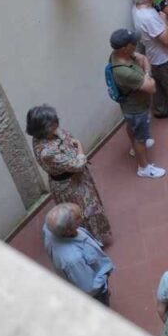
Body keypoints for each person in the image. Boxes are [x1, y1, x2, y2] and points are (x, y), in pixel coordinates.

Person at [27, 105, 112, 245]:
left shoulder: (45, 135)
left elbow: (66, 136)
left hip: (76, 178)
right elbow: (78, 165)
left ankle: (96, 236)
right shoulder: (47, 153)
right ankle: (91, 242)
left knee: (89, 207)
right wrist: (79, 146)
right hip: (70, 185)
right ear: (45, 129)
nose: (57, 124)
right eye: (54, 123)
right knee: (82, 212)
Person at [108, 28, 167, 179]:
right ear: (124, 48)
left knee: (131, 126)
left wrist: (145, 72)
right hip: (137, 108)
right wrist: (148, 74)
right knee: (141, 138)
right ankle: (144, 167)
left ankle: (134, 148)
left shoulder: (118, 55)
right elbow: (152, 87)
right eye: (133, 42)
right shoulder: (125, 72)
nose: (136, 43)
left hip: (130, 106)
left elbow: (143, 58)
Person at [43, 203, 115, 306]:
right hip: (95, 293)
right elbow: (89, 288)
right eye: (78, 217)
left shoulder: (48, 228)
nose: (82, 217)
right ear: (69, 230)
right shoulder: (73, 260)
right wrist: (105, 274)